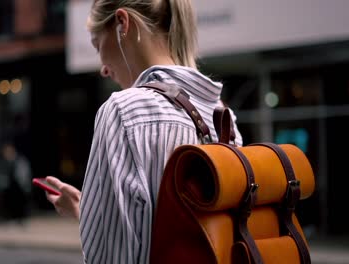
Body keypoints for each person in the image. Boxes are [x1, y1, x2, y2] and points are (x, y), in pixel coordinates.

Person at [44, 0, 243, 263]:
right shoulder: (222, 115)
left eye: (97, 45)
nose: (103, 68)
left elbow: (116, 257)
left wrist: (96, 228)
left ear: (122, 24)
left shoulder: (123, 111)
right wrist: (92, 212)